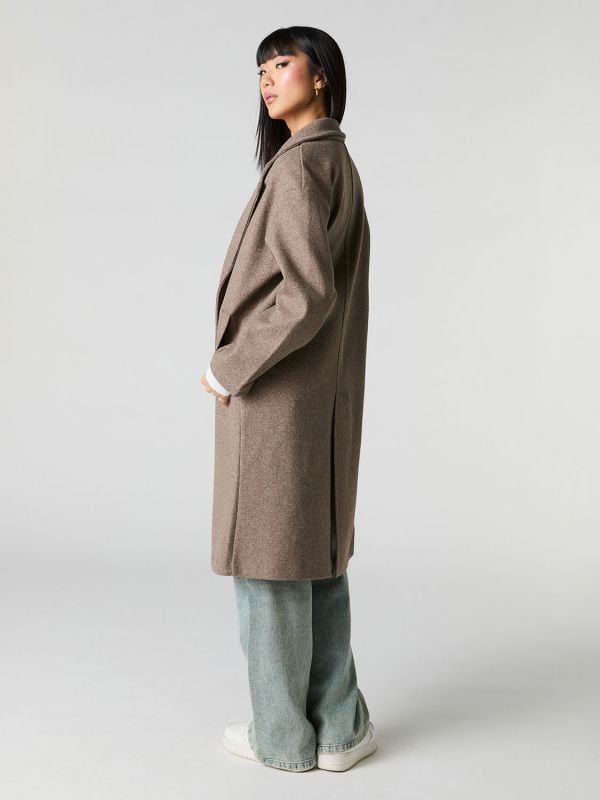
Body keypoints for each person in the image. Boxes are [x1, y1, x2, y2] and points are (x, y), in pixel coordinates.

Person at [200, 25, 376, 773]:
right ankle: (339, 730)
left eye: (282, 64)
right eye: (260, 70)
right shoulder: (335, 159)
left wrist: (229, 368)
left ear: (322, 75)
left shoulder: (300, 167)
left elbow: (304, 296)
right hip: (319, 404)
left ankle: (281, 738)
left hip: (278, 398)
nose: (268, 80)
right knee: (316, 561)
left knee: (269, 568)